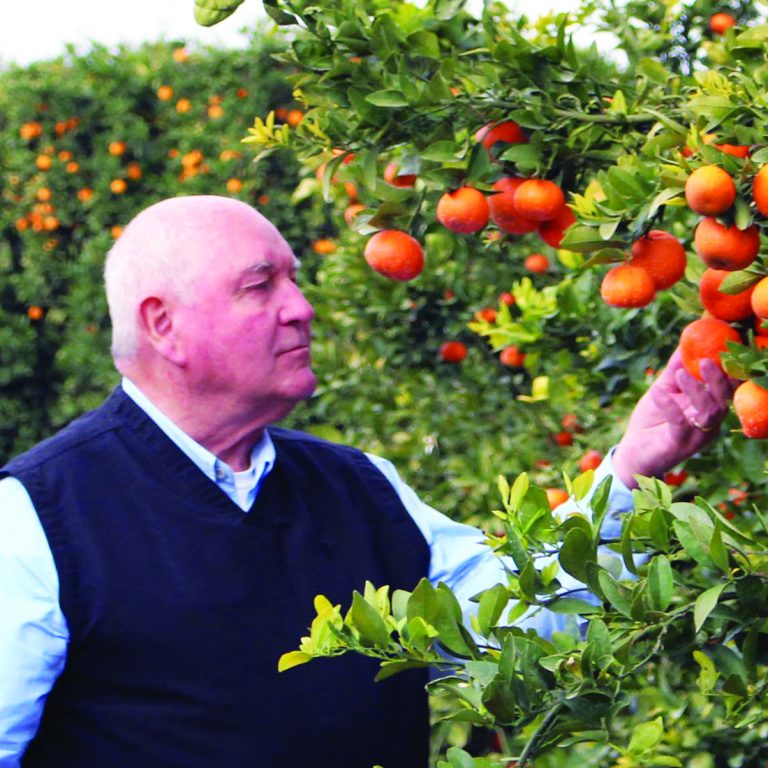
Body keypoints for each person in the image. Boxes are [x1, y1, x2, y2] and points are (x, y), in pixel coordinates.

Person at [0, 196, 733, 768]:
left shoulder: (357, 487)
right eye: (262, 287)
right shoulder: (39, 519)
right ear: (162, 325)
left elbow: (507, 620)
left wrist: (631, 469)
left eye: (295, 278)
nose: (302, 307)